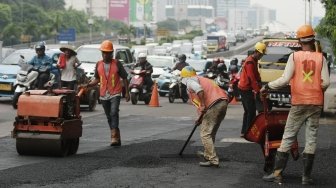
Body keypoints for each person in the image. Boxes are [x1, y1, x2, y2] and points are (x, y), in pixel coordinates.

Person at [261, 25, 330, 185]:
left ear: (299, 41)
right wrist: (316, 89)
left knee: (288, 136)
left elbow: (284, 80)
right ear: (313, 40)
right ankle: (306, 177)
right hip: (315, 103)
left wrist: (268, 86)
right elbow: (325, 82)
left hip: (299, 102)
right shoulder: (321, 58)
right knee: (311, 138)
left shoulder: (295, 57)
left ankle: (277, 174)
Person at [180, 66, 228, 167]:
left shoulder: (190, 81)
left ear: (184, 77)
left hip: (214, 104)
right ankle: (208, 154)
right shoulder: (202, 79)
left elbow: (199, 90)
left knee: (205, 133)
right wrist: (200, 119)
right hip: (222, 102)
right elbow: (203, 108)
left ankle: (213, 159)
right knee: (211, 132)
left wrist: (202, 104)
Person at [85, 40, 130, 146]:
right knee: (109, 116)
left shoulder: (117, 63)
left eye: (108, 52)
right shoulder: (98, 64)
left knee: (114, 112)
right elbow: (97, 79)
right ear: (102, 53)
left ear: (111, 53)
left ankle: (113, 137)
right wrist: (88, 85)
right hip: (104, 94)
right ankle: (116, 136)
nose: (106, 55)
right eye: (104, 52)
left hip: (115, 92)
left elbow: (125, 78)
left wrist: (127, 93)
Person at [238, 42, 266, 137]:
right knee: (251, 111)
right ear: (257, 52)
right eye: (261, 54)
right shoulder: (250, 61)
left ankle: (244, 131)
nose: (261, 56)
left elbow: (256, 75)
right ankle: (248, 132)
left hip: (245, 89)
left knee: (248, 111)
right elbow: (251, 78)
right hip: (245, 89)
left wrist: (260, 83)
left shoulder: (254, 60)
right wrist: (258, 91)